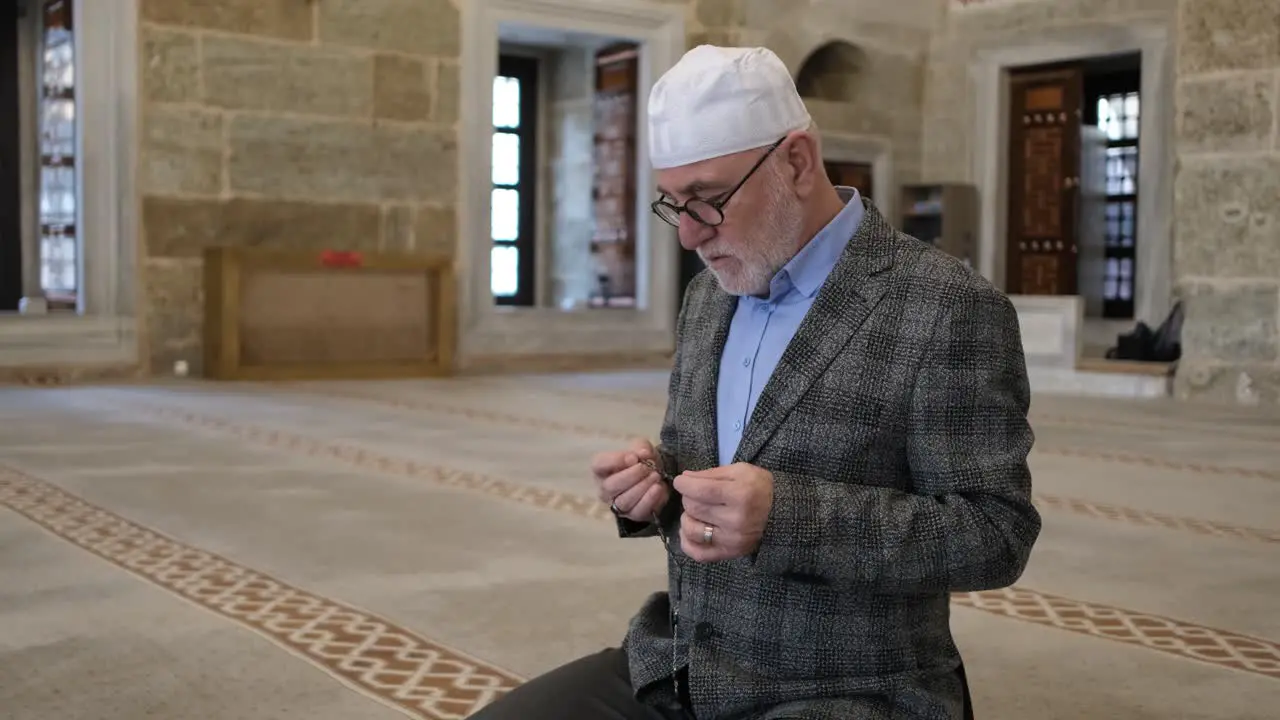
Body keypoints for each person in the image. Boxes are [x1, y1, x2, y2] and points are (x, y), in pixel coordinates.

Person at [468, 44, 1040, 720]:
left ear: (796, 162)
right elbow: (712, 486)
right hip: (682, 664)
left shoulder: (944, 307)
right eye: (672, 203)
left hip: (847, 689)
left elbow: (995, 533)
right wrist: (651, 486)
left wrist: (787, 516)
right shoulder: (710, 296)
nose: (686, 235)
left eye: (707, 200)